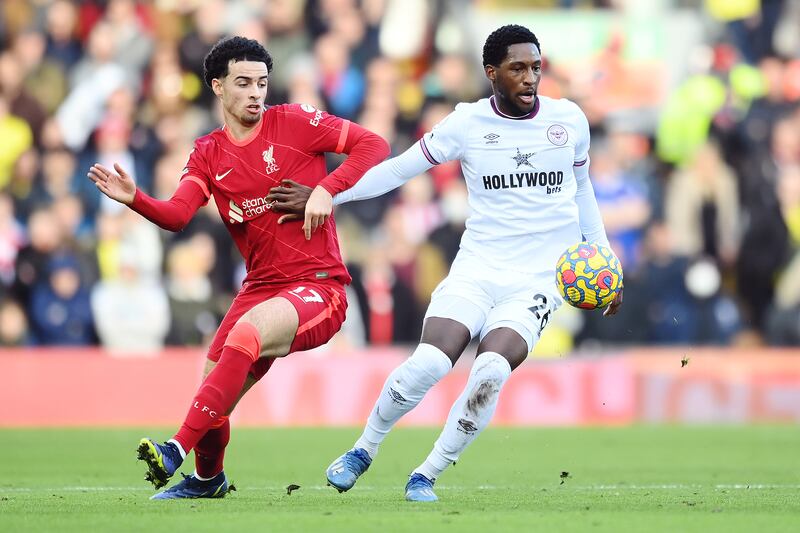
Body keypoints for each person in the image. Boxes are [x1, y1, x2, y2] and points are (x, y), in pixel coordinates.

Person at [268, 24, 623, 502]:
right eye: (518, 69)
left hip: (538, 280)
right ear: (492, 72)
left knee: (491, 371)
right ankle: (363, 449)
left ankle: (427, 473)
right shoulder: (466, 123)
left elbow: (583, 191)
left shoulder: (569, 121)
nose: (530, 78)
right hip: (477, 268)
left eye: (536, 68)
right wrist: (327, 193)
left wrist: (605, 260)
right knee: (430, 363)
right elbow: (398, 168)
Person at [87, 36, 389, 499]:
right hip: (261, 288)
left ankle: (173, 450)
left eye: (262, 83)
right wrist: (136, 200)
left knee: (244, 336)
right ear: (218, 87)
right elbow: (177, 215)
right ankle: (209, 479)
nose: (255, 93)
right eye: (243, 83)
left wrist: (327, 190)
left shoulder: (295, 122)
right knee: (213, 391)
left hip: (319, 288)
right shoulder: (208, 152)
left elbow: (373, 144)